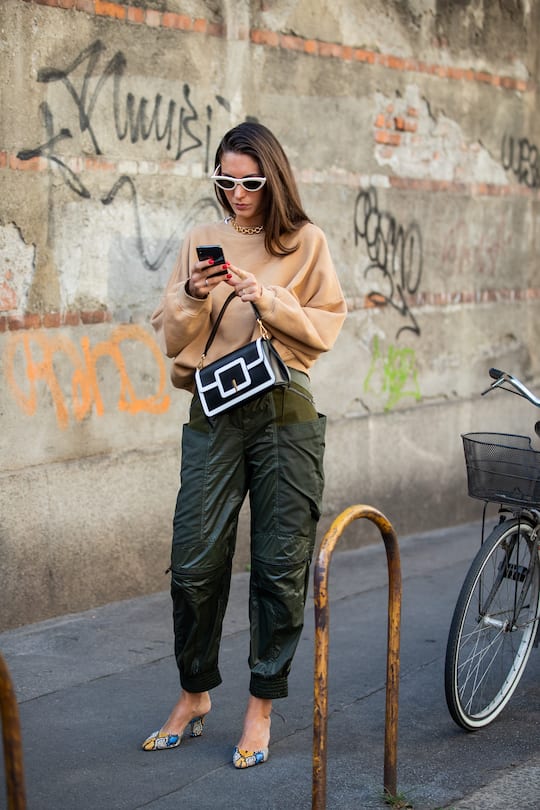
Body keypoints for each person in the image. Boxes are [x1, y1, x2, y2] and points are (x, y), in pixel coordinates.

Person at [144, 121, 347, 769]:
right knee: (192, 559)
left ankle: (260, 705)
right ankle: (194, 692)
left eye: (250, 182)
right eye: (225, 180)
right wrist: (191, 294)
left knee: (280, 562)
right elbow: (174, 337)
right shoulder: (202, 240)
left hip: (285, 406)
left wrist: (270, 297)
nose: (237, 193)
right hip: (215, 404)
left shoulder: (305, 242)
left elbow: (324, 328)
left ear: (273, 178)